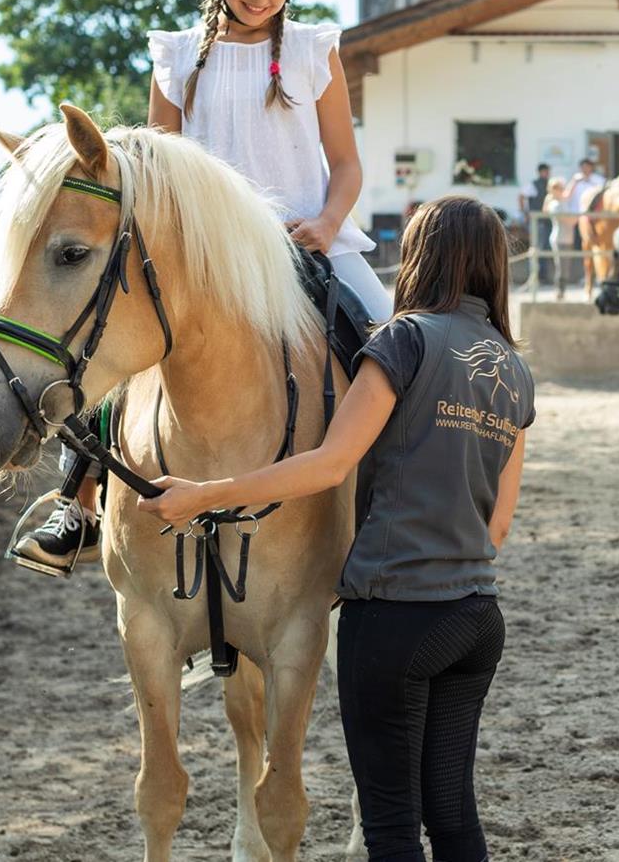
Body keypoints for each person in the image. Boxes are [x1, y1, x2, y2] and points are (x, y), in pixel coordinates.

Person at [139, 196, 535, 862]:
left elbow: (330, 464)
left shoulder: (404, 341)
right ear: (494, 266)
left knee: (388, 823)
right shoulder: (513, 371)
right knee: (452, 813)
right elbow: (497, 523)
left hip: (396, 619)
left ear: (421, 257)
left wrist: (209, 494)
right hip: (476, 617)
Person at [14, 0, 391, 571]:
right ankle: (78, 505)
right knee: (116, 340)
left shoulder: (312, 51)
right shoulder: (178, 56)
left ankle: (393, 510)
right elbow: (158, 175)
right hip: (206, 258)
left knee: (393, 344)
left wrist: (325, 222)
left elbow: (345, 164)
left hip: (306, 241)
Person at [543, 176, 575, 298]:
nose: (562, 190)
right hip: (560, 238)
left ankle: (562, 291)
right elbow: (568, 220)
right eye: (559, 188)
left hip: (567, 237)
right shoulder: (555, 204)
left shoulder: (562, 202)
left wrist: (575, 181)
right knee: (561, 267)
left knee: (565, 267)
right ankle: (559, 291)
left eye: (562, 187)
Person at [520, 162, 552, 272]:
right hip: (537, 222)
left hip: (547, 221)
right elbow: (521, 196)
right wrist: (525, 214)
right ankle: (534, 275)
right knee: (536, 247)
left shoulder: (550, 184)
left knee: (545, 248)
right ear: (540, 172)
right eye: (545, 171)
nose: (547, 173)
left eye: (548, 171)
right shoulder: (533, 184)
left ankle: (542, 275)